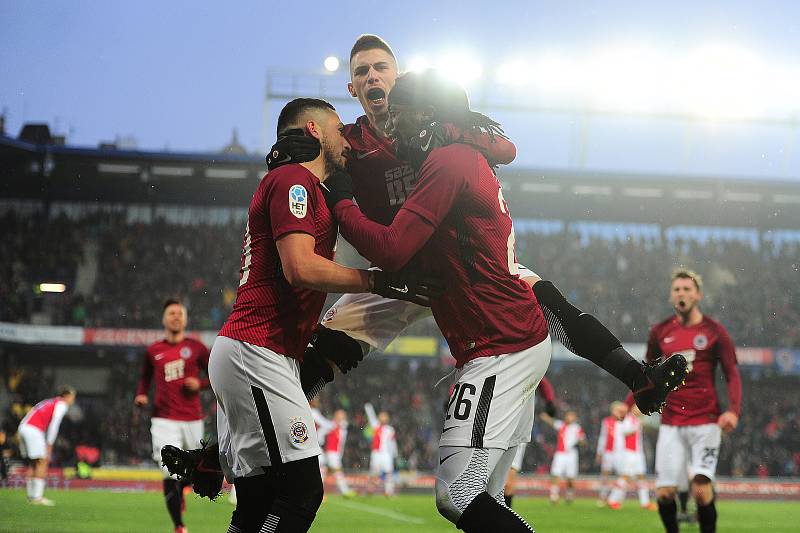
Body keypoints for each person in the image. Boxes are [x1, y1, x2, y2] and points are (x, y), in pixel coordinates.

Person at [268, 33, 688, 419]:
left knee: (549, 301)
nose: (372, 76)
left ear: (398, 78)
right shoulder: (350, 142)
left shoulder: (433, 124)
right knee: (326, 347)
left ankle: (637, 376)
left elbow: (505, 147)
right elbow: (314, 173)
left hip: (464, 261)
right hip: (403, 269)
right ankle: (238, 441)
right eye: (362, 72)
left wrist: (450, 132)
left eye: (381, 68)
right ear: (352, 89)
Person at [321, 68, 554, 532]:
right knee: (485, 499)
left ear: (425, 113)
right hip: (503, 340)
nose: (393, 129)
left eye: (401, 116)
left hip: (500, 345)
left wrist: (343, 203)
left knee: (456, 494)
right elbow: (503, 147)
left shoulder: (447, 161)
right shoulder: (462, 152)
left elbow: (390, 249)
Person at [207, 97, 428, 533]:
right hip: (257, 351)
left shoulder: (301, 185)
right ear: (313, 130)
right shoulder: (293, 180)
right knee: (301, 494)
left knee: (256, 504)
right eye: (338, 126)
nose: (346, 136)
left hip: (254, 352)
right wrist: (375, 282)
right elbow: (300, 268)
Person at [637, 269, 742, 533]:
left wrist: (733, 411)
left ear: (698, 295)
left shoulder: (715, 331)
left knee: (701, 489)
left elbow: (732, 372)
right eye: (677, 289)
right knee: (664, 493)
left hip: (706, 421)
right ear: (671, 295)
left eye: (687, 289)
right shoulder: (660, 331)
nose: (681, 293)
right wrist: (628, 403)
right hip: (671, 421)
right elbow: (645, 374)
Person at [134, 298, 210, 533]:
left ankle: (183, 487)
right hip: (163, 419)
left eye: (179, 313)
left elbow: (215, 375)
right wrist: (142, 395)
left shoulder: (196, 347)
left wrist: (199, 384)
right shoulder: (153, 350)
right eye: (171, 313)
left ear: (185, 318)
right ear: (164, 319)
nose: (176, 316)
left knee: (196, 471)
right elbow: (145, 377)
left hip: (192, 419)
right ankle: (179, 526)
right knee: (168, 469)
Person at [503, 376, 557, 508]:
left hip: (518, 433)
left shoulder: (528, 367)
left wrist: (549, 402)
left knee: (508, 485)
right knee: (490, 481)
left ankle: (503, 518)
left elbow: (543, 382)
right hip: (496, 428)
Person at [17, 386, 76, 505]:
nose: (72, 401)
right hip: (34, 429)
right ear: (66, 396)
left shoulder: (49, 401)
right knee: (42, 461)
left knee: (34, 462)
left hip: (23, 427)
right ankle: (37, 497)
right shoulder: (61, 404)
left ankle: (31, 496)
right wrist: (49, 444)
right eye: (72, 398)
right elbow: (55, 424)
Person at [607, 404, 657, 510]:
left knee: (641, 476)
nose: (639, 410)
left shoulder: (638, 420)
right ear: (634, 409)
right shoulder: (627, 419)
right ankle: (612, 500)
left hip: (638, 453)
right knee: (625, 476)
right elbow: (624, 432)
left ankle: (645, 503)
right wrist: (636, 427)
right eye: (638, 408)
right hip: (628, 452)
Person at [540, 410, 585, 504]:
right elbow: (552, 422)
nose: (569, 418)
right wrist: (545, 417)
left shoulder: (577, 428)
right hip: (560, 454)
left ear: (575, 418)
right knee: (555, 474)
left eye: (571, 416)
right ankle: (554, 496)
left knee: (570, 478)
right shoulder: (561, 425)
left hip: (571, 455)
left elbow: (583, 441)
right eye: (568, 416)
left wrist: (581, 441)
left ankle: (569, 495)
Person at [595, 401, 627, 506]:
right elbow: (603, 437)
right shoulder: (606, 421)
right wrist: (599, 452)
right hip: (608, 452)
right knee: (605, 475)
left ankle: (619, 497)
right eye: (616, 410)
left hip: (620, 453)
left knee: (622, 475)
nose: (618, 412)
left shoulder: (624, 423)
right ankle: (603, 497)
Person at [364, 402, 397, 497]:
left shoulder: (390, 429)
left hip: (387, 454)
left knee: (388, 473)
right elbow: (371, 416)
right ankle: (370, 490)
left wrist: (394, 454)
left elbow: (393, 443)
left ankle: (388, 491)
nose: (383, 418)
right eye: (381, 416)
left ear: (387, 419)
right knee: (374, 472)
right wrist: (368, 406)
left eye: (384, 416)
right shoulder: (376, 426)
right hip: (376, 453)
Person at [322, 409, 353, 496]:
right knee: (338, 471)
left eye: (343, 415)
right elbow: (321, 433)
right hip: (331, 452)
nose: (342, 417)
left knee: (323, 471)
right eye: (340, 415)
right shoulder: (330, 425)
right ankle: (345, 491)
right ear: (336, 416)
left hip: (336, 452)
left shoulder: (342, 427)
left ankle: (318, 491)